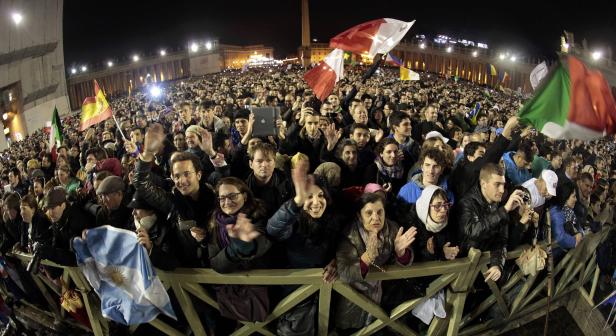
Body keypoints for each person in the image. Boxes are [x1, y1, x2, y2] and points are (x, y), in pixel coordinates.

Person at [134, 124, 217, 267]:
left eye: (187, 174)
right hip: (189, 273)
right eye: (177, 176)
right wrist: (147, 153)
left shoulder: (217, 198)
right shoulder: (171, 202)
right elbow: (141, 184)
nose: (182, 181)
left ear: (198, 174)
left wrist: (211, 153)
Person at [335, 193, 416, 331]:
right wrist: (366, 257)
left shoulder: (392, 228)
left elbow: (407, 258)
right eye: (368, 213)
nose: (376, 217)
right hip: (354, 299)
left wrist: (401, 253)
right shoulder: (349, 234)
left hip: (384, 296)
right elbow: (344, 272)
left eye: (380, 212)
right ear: (359, 217)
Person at [456, 163, 527, 282]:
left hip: (483, 270)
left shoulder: (496, 204)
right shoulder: (467, 203)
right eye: (497, 184)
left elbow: (501, 240)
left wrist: (497, 264)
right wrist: (504, 211)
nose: (502, 190)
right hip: (462, 271)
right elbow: (473, 231)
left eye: (503, 184)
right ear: (483, 184)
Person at [549, 181, 583, 259]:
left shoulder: (568, 211)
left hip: (564, 257)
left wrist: (580, 233)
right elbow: (560, 237)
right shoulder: (556, 212)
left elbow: (578, 225)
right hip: (554, 260)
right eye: (574, 196)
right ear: (566, 197)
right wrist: (575, 241)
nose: (576, 199)